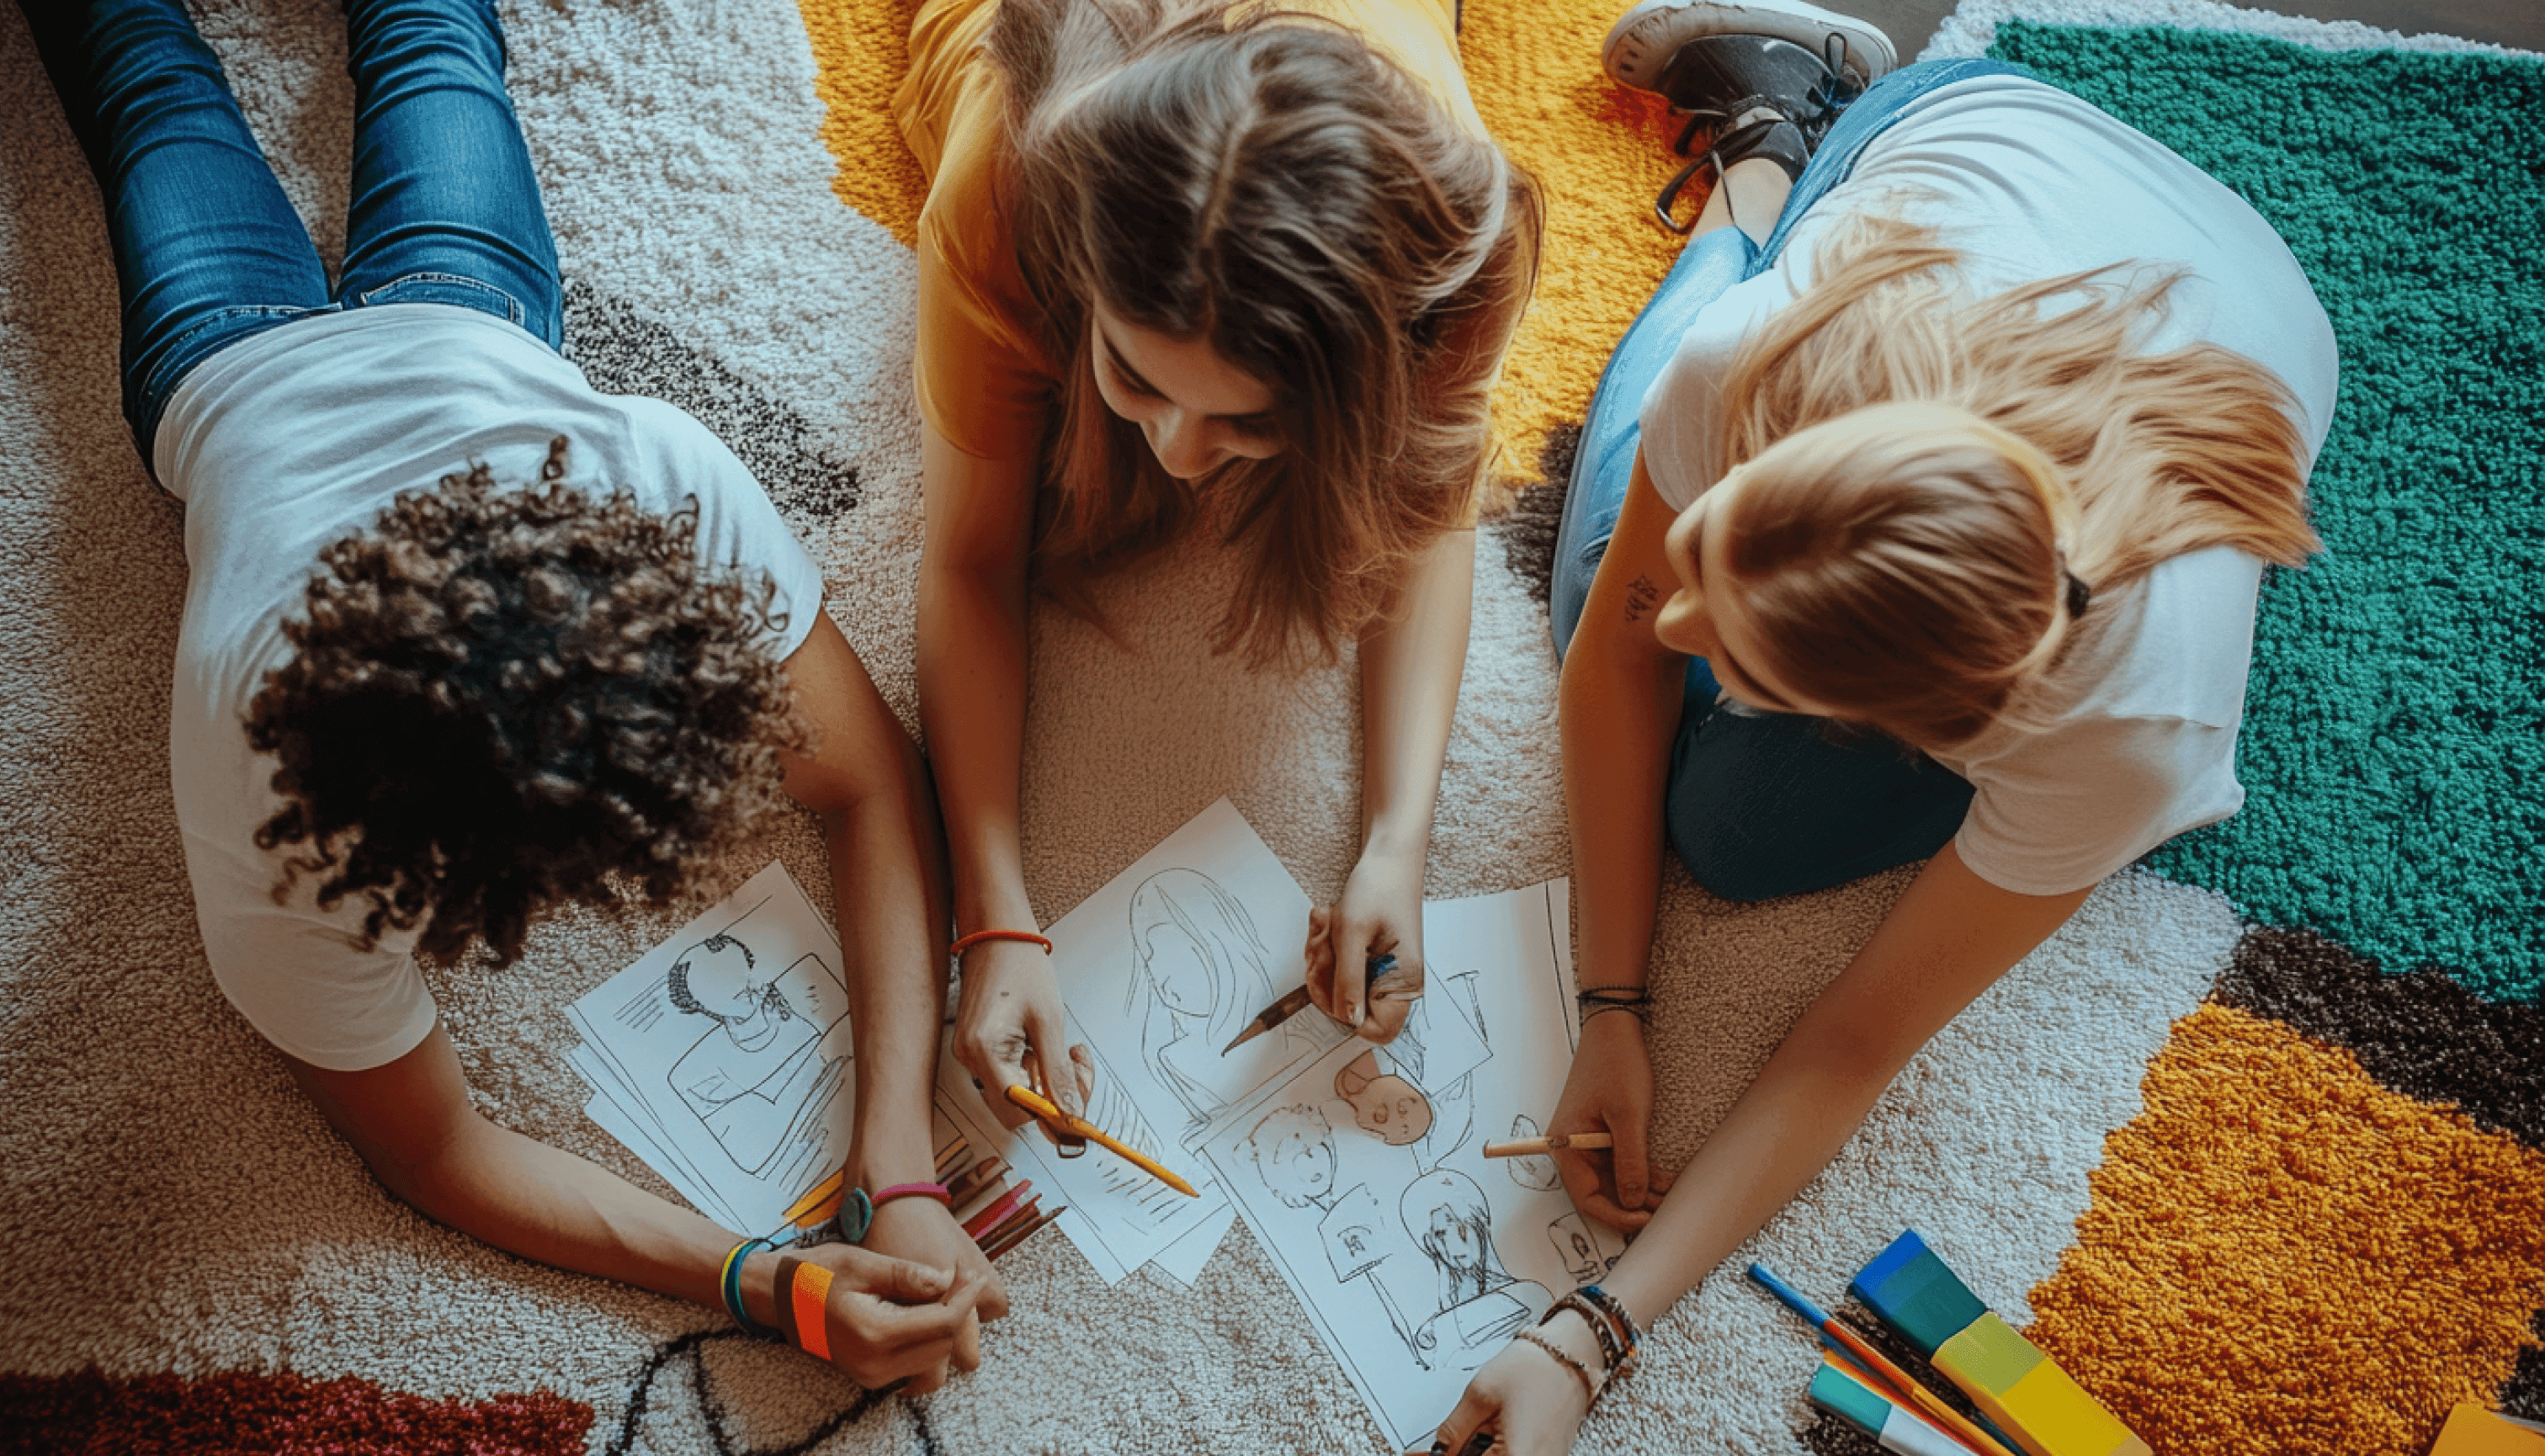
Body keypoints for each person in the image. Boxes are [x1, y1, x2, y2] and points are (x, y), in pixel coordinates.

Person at [24, 0, 1001, 1391]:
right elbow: (431, 1146)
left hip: (444, 317)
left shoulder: (652, 476)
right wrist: (756, 1277)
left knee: (423, 37)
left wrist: (895, 1156)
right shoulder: (249, 766)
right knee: (148, 83)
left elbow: (862, 778)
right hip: (225, 371)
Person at [1429, 0, 2336, 1449]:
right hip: (1981, 128)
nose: (1670, 629)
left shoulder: (2127, 731)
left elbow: (1854, 1040)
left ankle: (1762, 164)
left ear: (1934, 730)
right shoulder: (1763, 364)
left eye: (1744, 658)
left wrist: (1595, 1328)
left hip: (2242, 299)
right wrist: (1607, 1000)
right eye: (1717, 558)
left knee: (1729, 829)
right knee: (1602, 579)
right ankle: (1775, 146)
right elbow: (1619, 654)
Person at [895, 0, 1543, 1135]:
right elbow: (966, 564)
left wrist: (1398, 840)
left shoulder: (1446, 256)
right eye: (1136, 380)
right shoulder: (1008, 186)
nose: (1183, 458)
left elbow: (1424, 517)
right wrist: (991, 918)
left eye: (1246, 421)